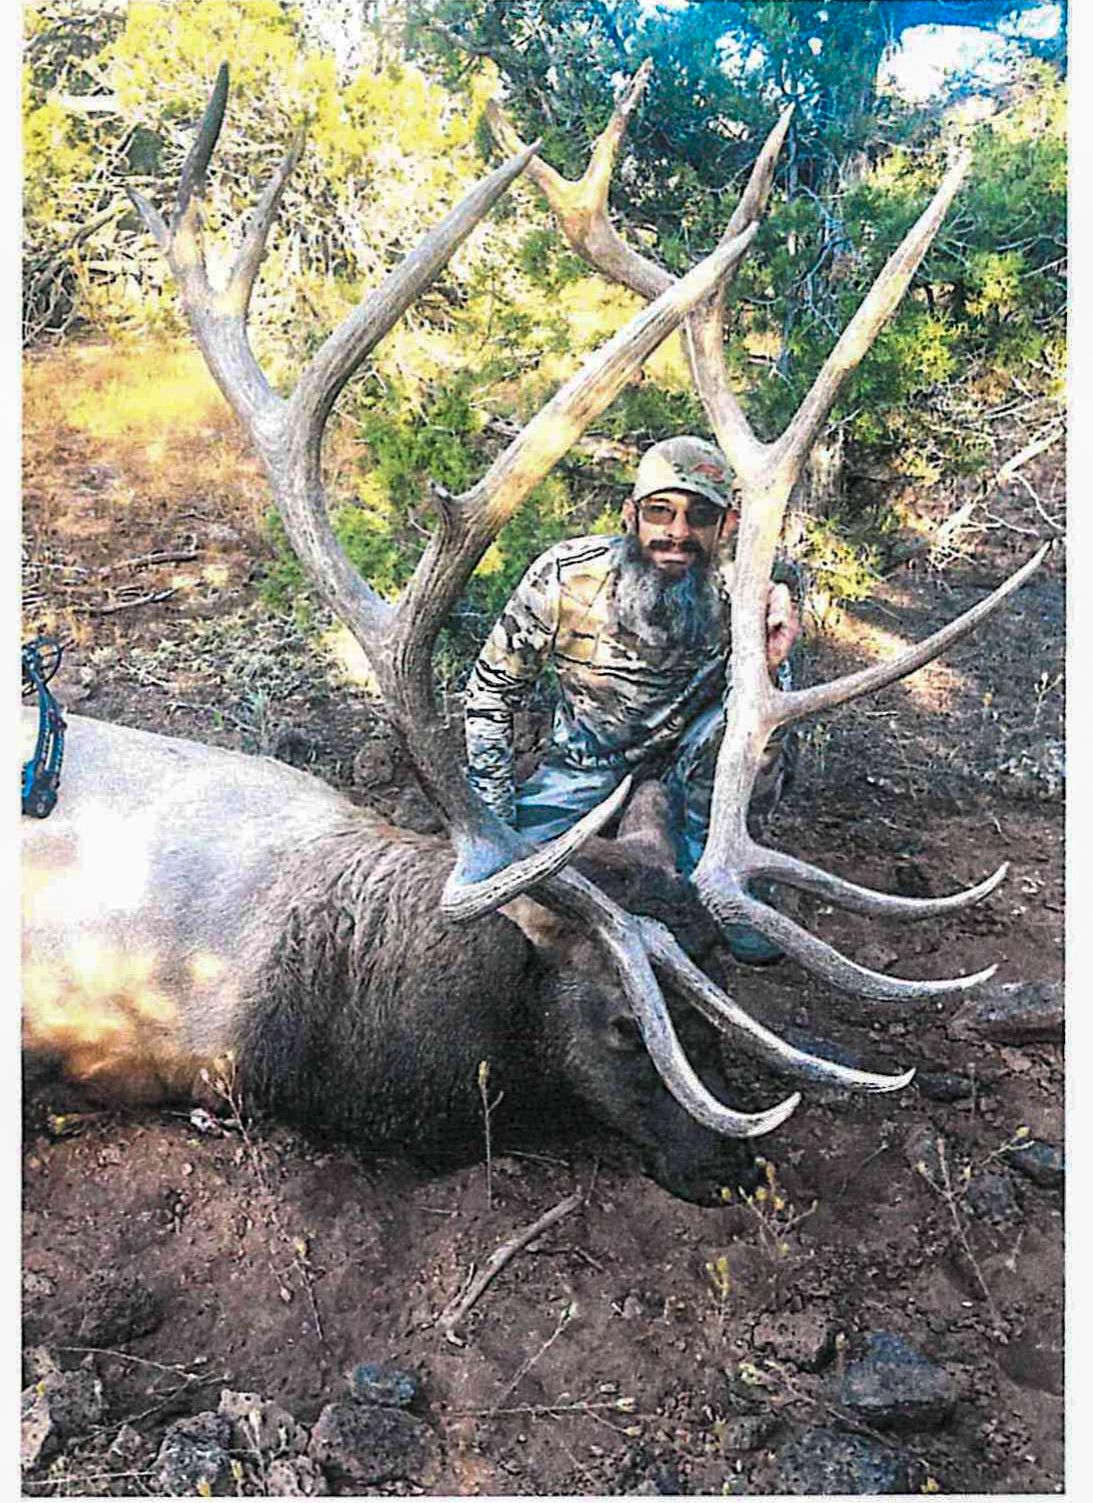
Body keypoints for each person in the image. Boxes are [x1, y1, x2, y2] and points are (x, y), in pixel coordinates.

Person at [464, 435, 800, 962]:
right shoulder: (566, 577)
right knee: (497, 891)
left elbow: (761, 727)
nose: (677, 533)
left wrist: (769, 664)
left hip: (689, 769)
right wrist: (495, 820)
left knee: (759, 738)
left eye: (699, 516)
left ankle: (717, 861)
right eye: (659, 512)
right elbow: (490, 694)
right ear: (630, 515)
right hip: (585, 764)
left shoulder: (747, 594)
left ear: (727, 525)